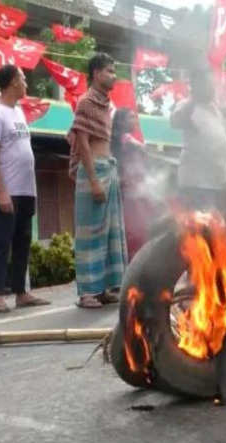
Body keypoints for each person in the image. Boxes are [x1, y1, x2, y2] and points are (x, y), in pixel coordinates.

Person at [0, 65, 51, 313]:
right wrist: (1, 191)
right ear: (11, 82)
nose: (26, 84)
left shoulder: (18, 112)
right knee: (2, 243)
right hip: (7, 190)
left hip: (26, 189)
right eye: (23, 79)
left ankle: (21, 293)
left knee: (23, 241)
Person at [67, 53, 127, 309]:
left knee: (110, 232)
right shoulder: (86, 102)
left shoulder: (106, 105)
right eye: (109, 71)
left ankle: (103, 289)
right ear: (96, 74)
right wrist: (93, 180)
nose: (113, 75)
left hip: (108, 169)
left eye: (114, 71)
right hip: (93, 172)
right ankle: (87, 293)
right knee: (90, 234)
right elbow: (82, 142)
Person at [170, 69, 226, 211]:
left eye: (212, 84)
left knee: (213, 228)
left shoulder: (216, 111)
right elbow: (176, 122)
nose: (211, 88)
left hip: (216, 181)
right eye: (207, 84)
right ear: (196, 86)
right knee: (196, 227)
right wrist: (194, 99)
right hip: (196, 183)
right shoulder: (186, 105)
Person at [111, 108, 155, 259]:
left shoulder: (120, 142)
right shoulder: (128, 140)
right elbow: (144, 151)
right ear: (121, 122)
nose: (135, 121)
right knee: (138, 232)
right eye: (131, 117)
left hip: (133, 193)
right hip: (132, 194)